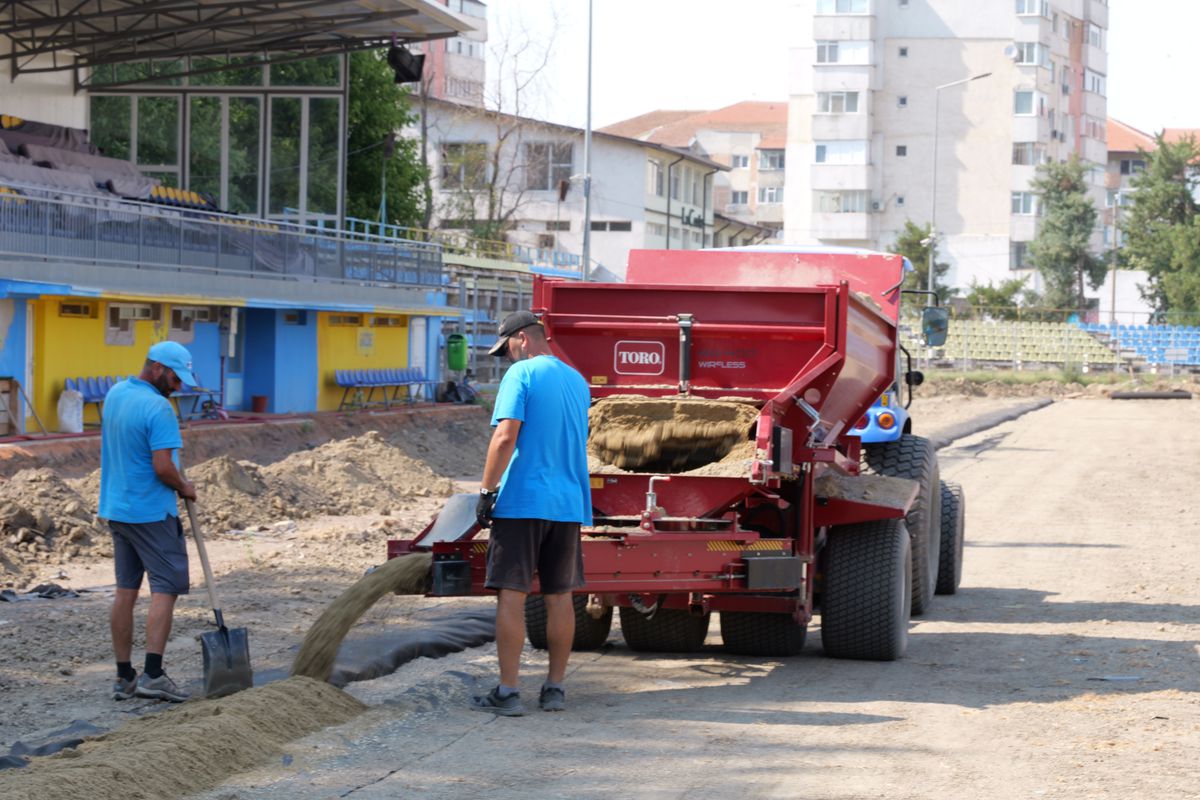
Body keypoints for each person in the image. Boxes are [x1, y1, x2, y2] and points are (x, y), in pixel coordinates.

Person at [471, 310, 592, 716]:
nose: (506, 357)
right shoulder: (578, 381)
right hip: (568, 503)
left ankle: (508, 692)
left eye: (506, 347)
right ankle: (555, 689)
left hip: (523, 501)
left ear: (521, 337)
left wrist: (487, 491)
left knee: (512, 595)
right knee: (560, 598)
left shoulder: (520, 376)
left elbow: (506, 436)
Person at [100, 341, 198, 703]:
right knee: (165, 588)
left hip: (117, 507)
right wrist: (184, 486)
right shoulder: (158, 407)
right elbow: (162, 467)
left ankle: (124, 677)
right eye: (174, 378)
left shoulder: (116, 393)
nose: (178, 386)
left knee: (125, 591)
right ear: (157, 368)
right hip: (151, 512)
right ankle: (153, 675)